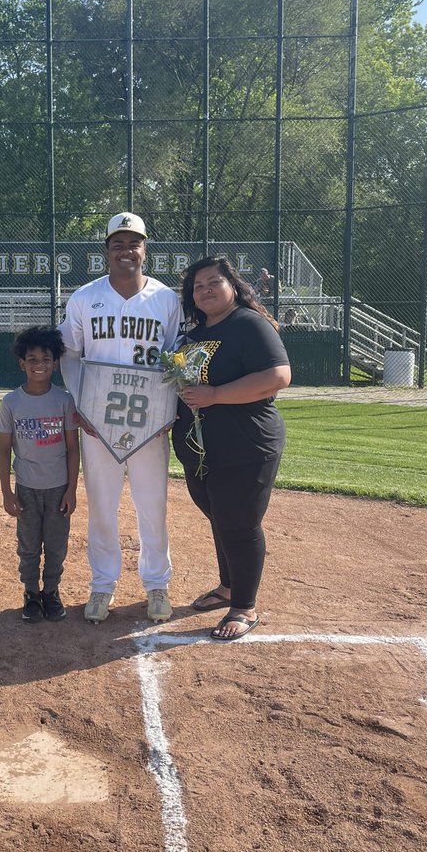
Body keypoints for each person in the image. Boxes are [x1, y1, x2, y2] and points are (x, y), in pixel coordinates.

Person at [59, 212, 183, 625]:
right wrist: (80, 402)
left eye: (134, 244)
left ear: (145, 250)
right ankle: (102, 584)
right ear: (106, 251)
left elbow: (175, 358)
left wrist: (168, 407)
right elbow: (69, 352)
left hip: (149, 419)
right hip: (99, 419)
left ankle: (156, 584)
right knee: (101, 504)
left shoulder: (166, 299)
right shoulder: (84, 297)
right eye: (118, 244)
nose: (126, 251)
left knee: (153, 504)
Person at [173, 257, 291, 641]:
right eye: (197, 286)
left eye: (213, 282)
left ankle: (244, 606)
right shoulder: (192, 336)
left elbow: (278, 376)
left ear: (233, 286)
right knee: (220, 517)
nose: (205, 290)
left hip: (246, 444)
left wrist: (216, 395)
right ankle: (227, 587)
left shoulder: (248, 324)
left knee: (239, 523)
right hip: (201, 449)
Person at [0, 326, 80, 623]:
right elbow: (4, 450)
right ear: (22, 363)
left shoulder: (64, 400)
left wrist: (71, 490)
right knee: (29, 545)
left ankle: (51, 592)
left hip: (58, 488)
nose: (39, 365)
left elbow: (73, 448)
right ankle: (31, 592)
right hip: (27, 488)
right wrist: (7, 492)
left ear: (55, 363)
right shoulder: (11, 402)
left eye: (46, 359)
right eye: (32, 359)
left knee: (56, 546)